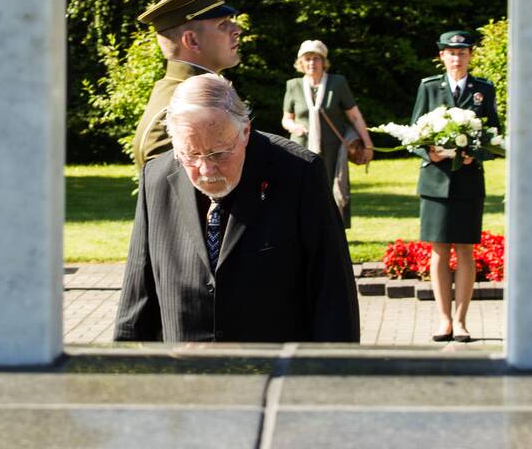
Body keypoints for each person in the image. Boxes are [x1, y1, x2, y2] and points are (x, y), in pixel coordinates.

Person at [115, 74, 360, 343]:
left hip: (272, 373)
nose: (206, 170)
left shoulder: (298, 172)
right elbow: (137, 297)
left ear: (245, 131)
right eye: (191, 155)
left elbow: (333, 292)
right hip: (184, 375)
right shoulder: (156, 177)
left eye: (219, 153)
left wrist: (333, 375)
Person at [410, 30, 500, 343]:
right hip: (435, 181)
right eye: (451, 53)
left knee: (464, 250)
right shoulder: (429, 87)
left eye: (462, 53)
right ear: (442, 56)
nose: (457, 58)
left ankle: (461, 321)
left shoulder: (483, 90)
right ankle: (443, 320)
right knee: (438, 250)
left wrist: (473, 154)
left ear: (470, 56)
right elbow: (414, 133)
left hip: (468, 181)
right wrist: (429, 151)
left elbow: (494, 138)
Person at [131, 0, 242, 169]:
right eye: (223, 24)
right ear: (192, 41)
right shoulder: (178, 111)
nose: (237, 30)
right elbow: (179, 196)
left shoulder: (201, 96)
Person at [281, 40, 374, 228]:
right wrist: (294, 127)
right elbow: (286, 118)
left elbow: (355, 116)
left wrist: (368, 144)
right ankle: (303, 231)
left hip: (333, 151)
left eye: (316, 59)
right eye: (307, 59)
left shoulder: (337, 83)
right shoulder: (293, 85)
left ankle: (333, 234)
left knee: (332, 191)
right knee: (302, 191)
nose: (311, 63)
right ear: (300, 62)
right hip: (301, 148)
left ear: (324, 61)